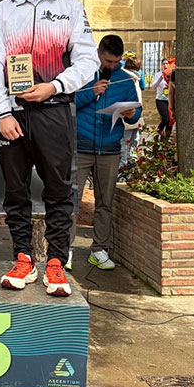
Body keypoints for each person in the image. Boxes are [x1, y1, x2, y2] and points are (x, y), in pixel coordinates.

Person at [0, 0, 99, 297]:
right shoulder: (2, 12)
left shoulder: (70, 7)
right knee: (15, 192)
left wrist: (55, 86)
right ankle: (23, 258)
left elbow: (88, 61)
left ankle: (56, 262)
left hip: (54, 111)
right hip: (13, 115)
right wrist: (2, 112)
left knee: (59, 191)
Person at [69, 35, 141, 271]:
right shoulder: (83, 72)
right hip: (81, 145)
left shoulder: (126, 80)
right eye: (109, 61)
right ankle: (64, 250)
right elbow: (68, 102)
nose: (112, 66)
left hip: (109, 147)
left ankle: (99, 249)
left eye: (117, 62)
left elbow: (136, 111)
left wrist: (131, 114)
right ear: (99, 52)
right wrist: (91, 92)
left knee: (105, 203)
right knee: (71, 201)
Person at [119, 55, 144, 170]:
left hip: (133, 112)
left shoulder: (133, 78)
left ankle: (128, 163)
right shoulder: (130, 78)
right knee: (130, 140)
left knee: (131, 140)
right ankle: (126, 164)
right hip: (131, 112)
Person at [151, 57, 173, 136]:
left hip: (170, 99)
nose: (165, 65)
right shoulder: (158, 75)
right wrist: (161, 78)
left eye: (167, 64)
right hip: (160, 99)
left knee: (171, 120)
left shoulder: (172, 74)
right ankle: (159, 130)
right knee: (166, 118)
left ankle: (167, 135)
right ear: (161, 65)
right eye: (164, 64)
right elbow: (153, 87)